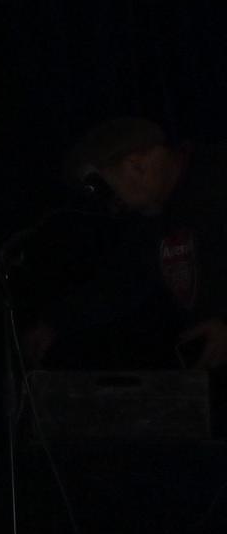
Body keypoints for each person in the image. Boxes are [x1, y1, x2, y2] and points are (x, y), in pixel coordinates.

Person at [28, 117, 227, 369]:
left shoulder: (217, 174)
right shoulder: (150, 220)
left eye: (103, 190)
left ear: (136, 166)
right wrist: (55, 323)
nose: (111, 206)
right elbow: (124, 282)